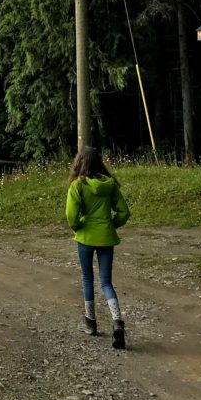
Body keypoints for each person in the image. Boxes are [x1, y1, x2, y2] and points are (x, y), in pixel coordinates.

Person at [65, 145, 131, 349]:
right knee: (106, 282)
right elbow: (124, 212)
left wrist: (78, 227)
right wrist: (111, 224)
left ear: (79, 162)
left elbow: (71, 215)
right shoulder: (110, 185)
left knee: (87, 277)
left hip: (85, 236)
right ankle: (117, 321)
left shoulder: (77, 185)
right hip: (106, 237)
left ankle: (91, 322)